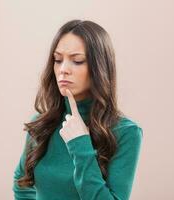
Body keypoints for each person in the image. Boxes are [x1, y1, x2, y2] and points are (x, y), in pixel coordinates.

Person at [12, 19, 143, 200]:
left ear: (99, 67)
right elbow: (22, 185)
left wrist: (80, 146)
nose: (63, 70)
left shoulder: (126, 132)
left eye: (77, 61)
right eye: (58, 60)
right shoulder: (42, 124)